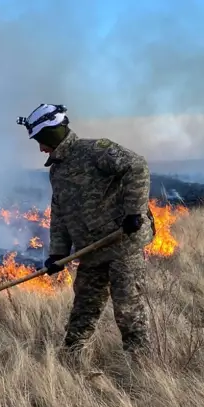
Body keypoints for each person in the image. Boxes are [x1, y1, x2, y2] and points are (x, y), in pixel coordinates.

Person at [17, 104, 155, 361]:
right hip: (90, 251)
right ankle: (70, 358)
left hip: (121, 244)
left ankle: (140, 365)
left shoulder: (94, 151)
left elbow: (136, 166)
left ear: (52, 133)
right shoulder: (57, 170)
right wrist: (58, 252)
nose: (40, 148)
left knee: (127, 308)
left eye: (41, 141)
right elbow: (59, 212)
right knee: (84, 307)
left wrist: (134, 212)